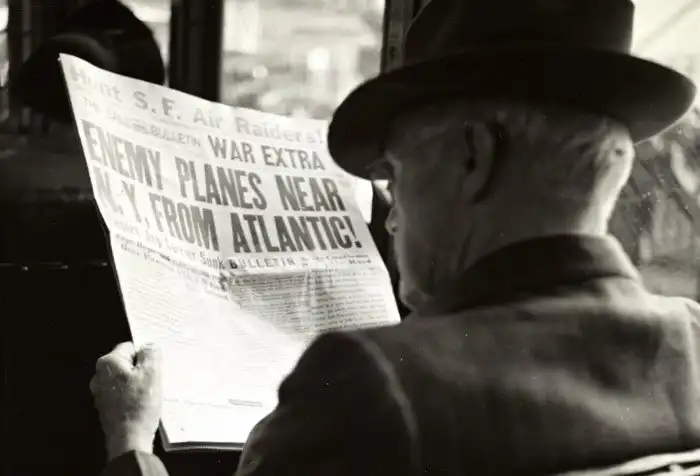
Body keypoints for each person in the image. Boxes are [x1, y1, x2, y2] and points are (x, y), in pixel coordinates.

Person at [90, 0, 700, 474]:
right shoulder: (691, 342)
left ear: (472, 158)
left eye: (396, 174)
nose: (389, 217)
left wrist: (131, 442)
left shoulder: (368, 385)